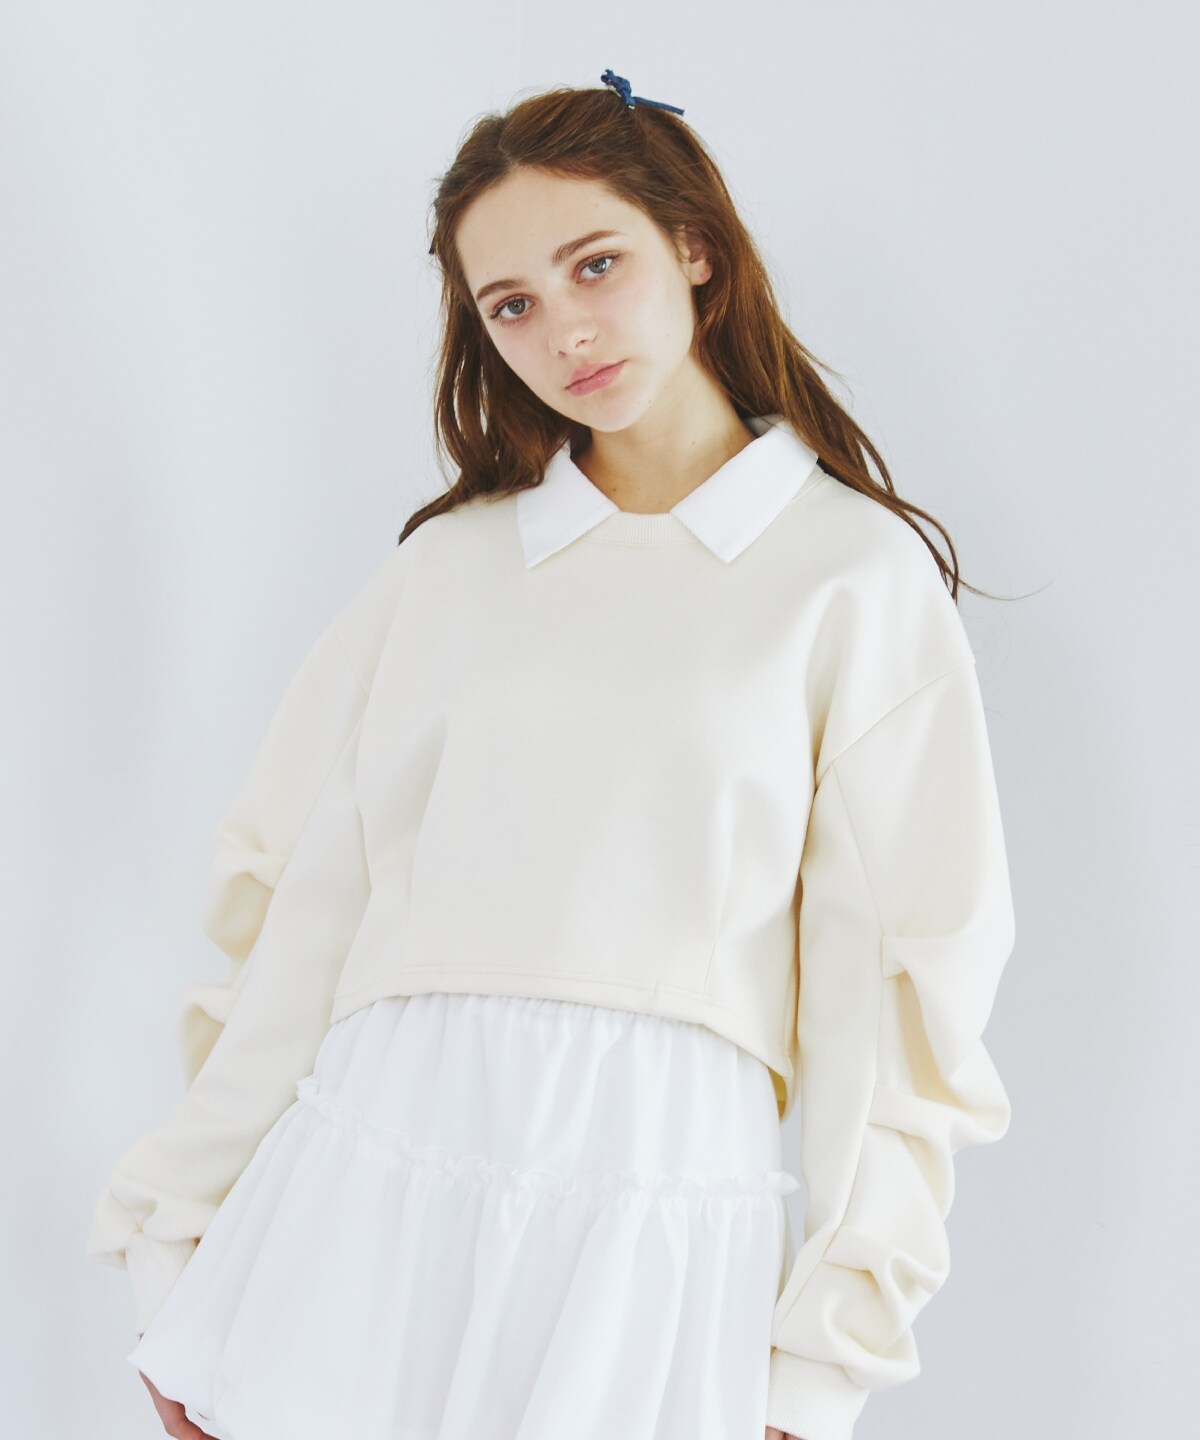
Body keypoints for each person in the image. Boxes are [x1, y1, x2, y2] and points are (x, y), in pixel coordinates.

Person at [86, 70, 1017, 1440]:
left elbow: (896, 1002)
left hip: (653, 1208)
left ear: (693, 247)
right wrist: (182, 1221)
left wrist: (825, 1354)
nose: (564, 330)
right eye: (510, 305)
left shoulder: (851, 578)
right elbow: (305, 916)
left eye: (596, 265)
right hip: (367, 1189)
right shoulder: (451, 571)